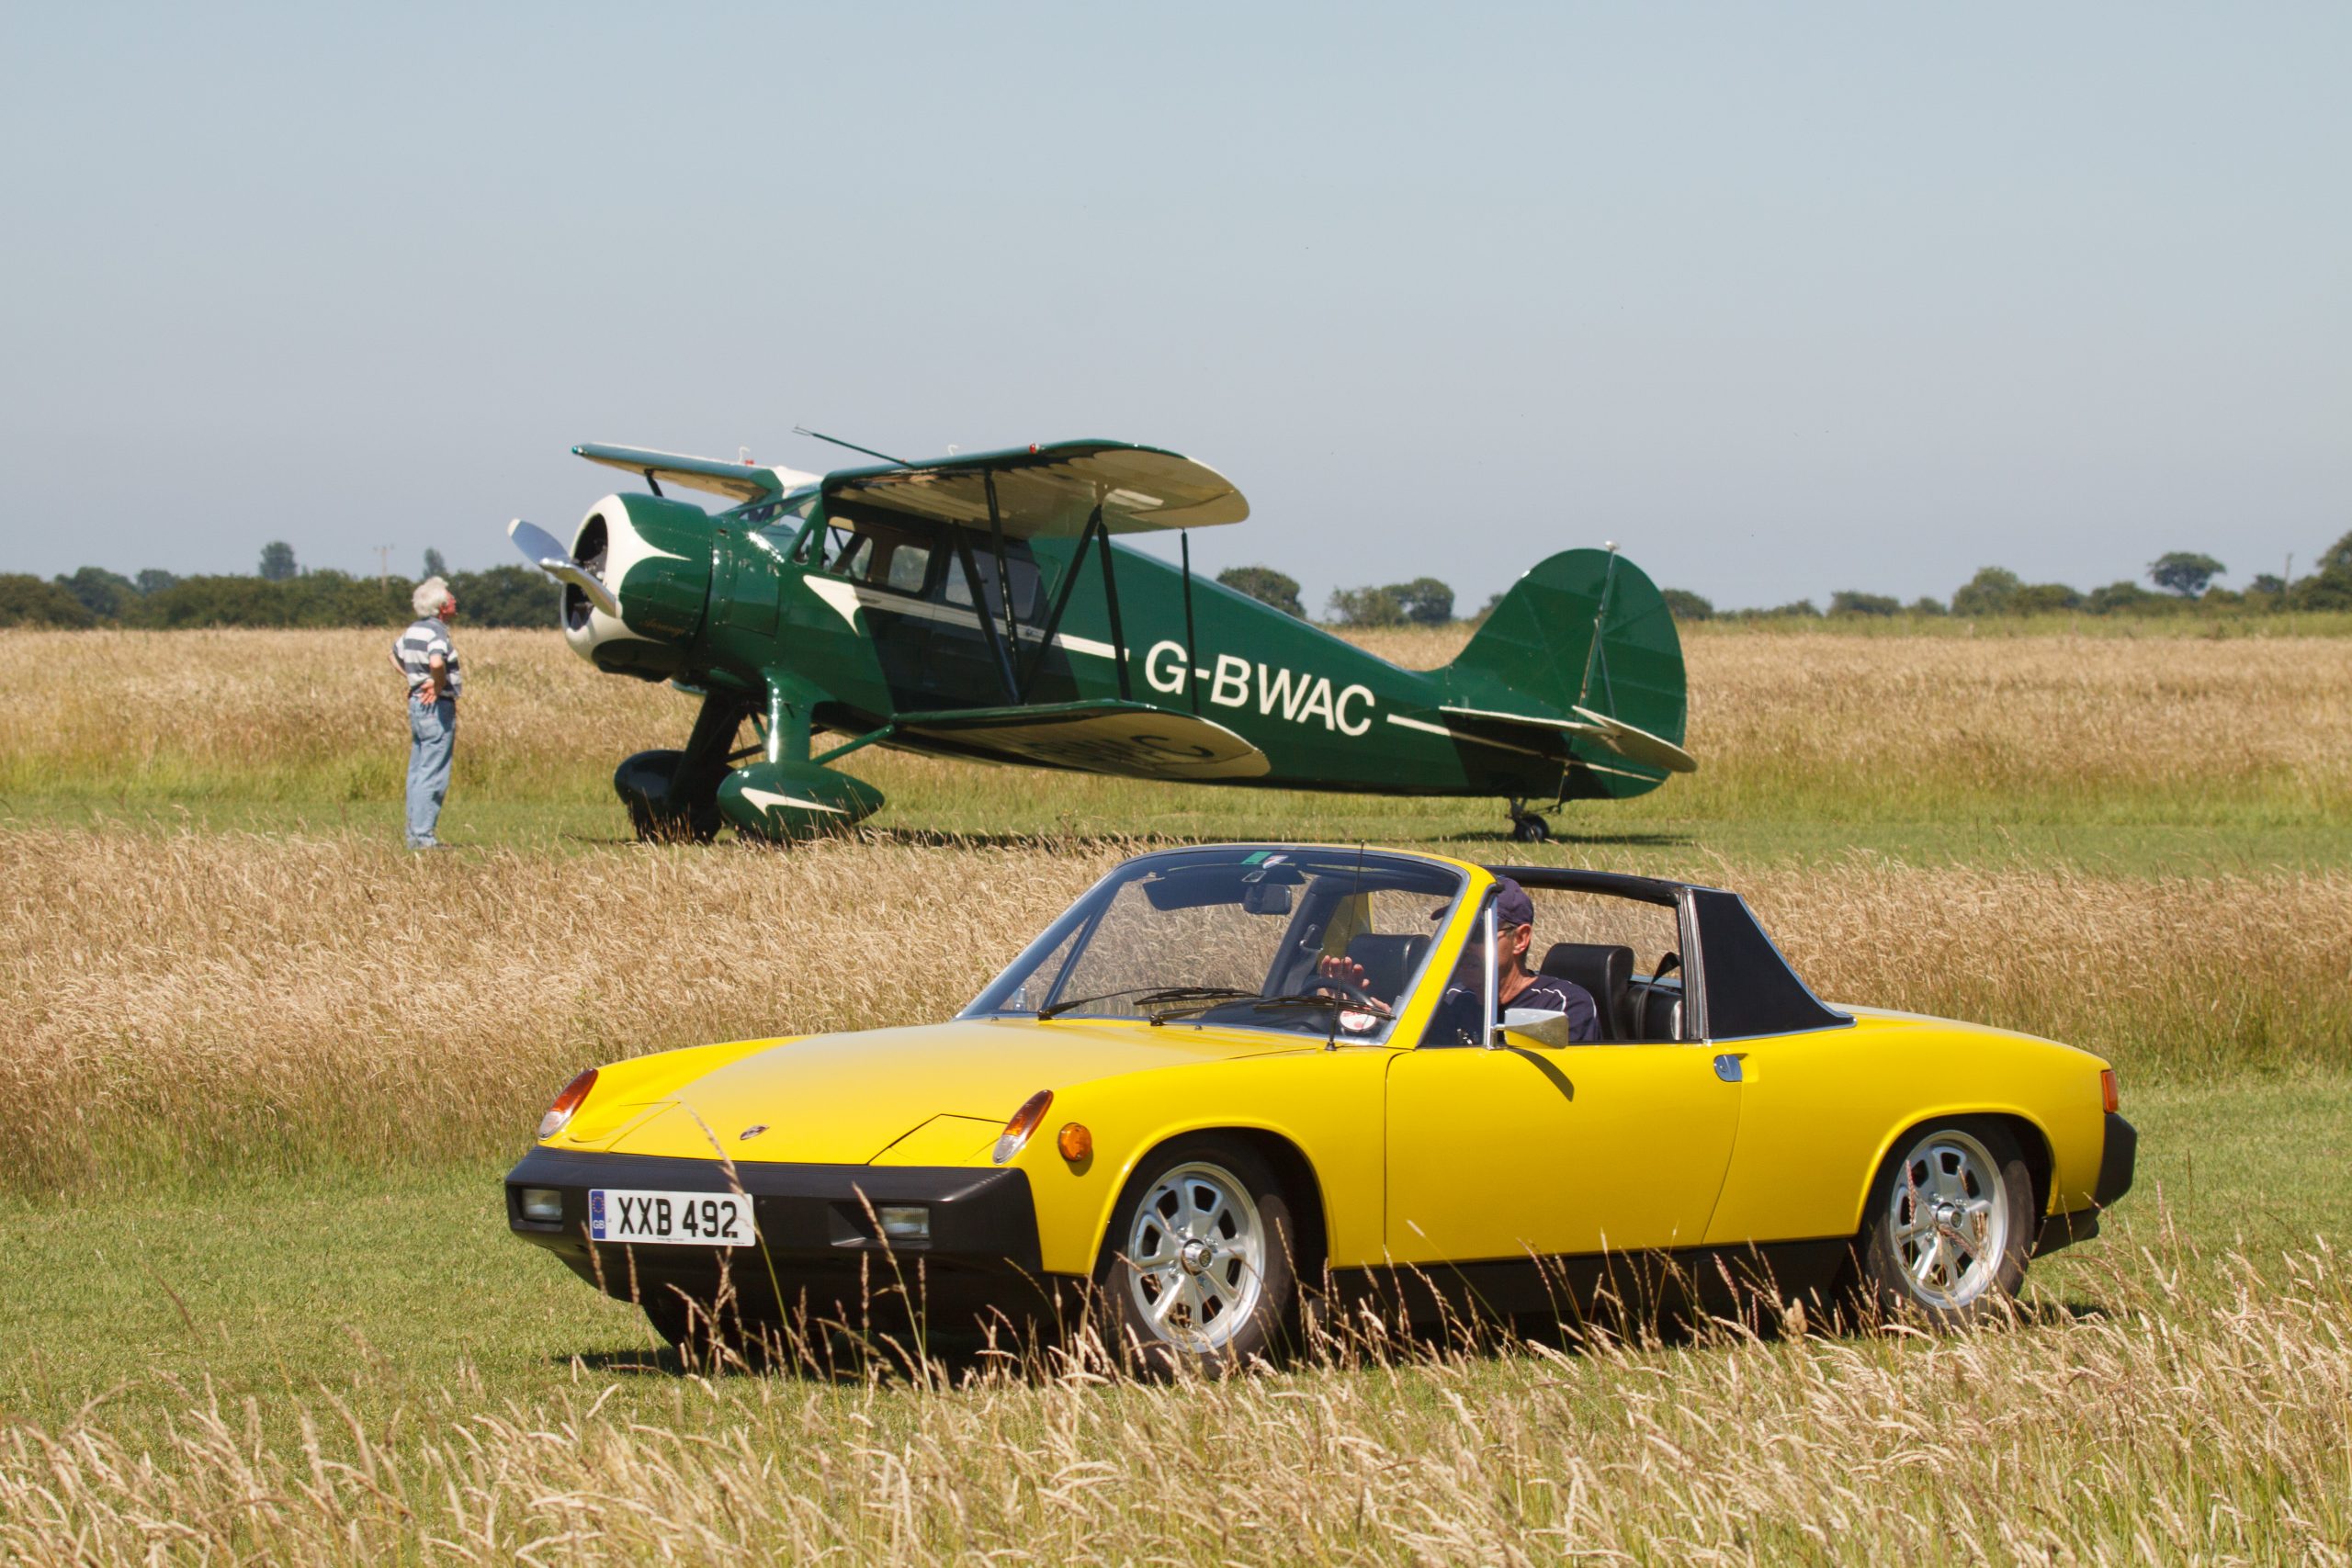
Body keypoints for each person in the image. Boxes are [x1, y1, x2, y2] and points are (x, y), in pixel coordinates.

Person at [1322, 877, 1598, 1046]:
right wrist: (1357, 1010)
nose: (1463, 946)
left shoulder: (1561, 1003)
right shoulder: (1452, 999)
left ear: (1520, 939)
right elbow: (1404, 1045)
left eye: (1475, 933)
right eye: (1455, 932)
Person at [390, 577, 461, 849]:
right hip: (437, 706)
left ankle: (414, 834)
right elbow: (436, 661)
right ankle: (423, 836)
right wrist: (436, 682)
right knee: (433, 772)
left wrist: (415, 680)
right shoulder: (437, 632)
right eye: (451, 598)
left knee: (418, 770)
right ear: (442, 606)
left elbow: (393, 656)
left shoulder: (413, 630)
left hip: (416, 704)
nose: (454, 601)